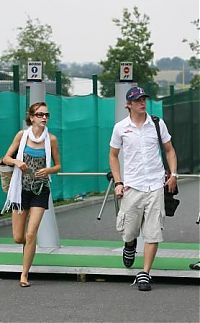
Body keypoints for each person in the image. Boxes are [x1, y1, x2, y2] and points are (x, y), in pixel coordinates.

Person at [109, 86, 177, 291]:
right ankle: (129, 245)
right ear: (128, 105)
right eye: (137, 100)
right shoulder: (120, 127)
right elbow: (113, 156)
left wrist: (173, 175)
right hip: (132, 186)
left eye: (144, 99)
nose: (142, 102)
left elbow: (169, 150)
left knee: (153, 232)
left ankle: (145, 273)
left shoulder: (157, 124)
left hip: (156, 185)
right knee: (129, 231)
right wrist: (119, 182)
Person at [2, 102, 61, 287]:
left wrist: (49, 170)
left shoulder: (51, 139)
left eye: (46, 115)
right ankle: (28, 247)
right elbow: (5, 158)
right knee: (19, 237)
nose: (44, 118)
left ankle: (24, 274)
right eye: (40, 114)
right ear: (32, 117)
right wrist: (17, 162)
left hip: (40, 189)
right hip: (21, 189)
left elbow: (58, 166)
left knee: (31, 232)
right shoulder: (22, 135)